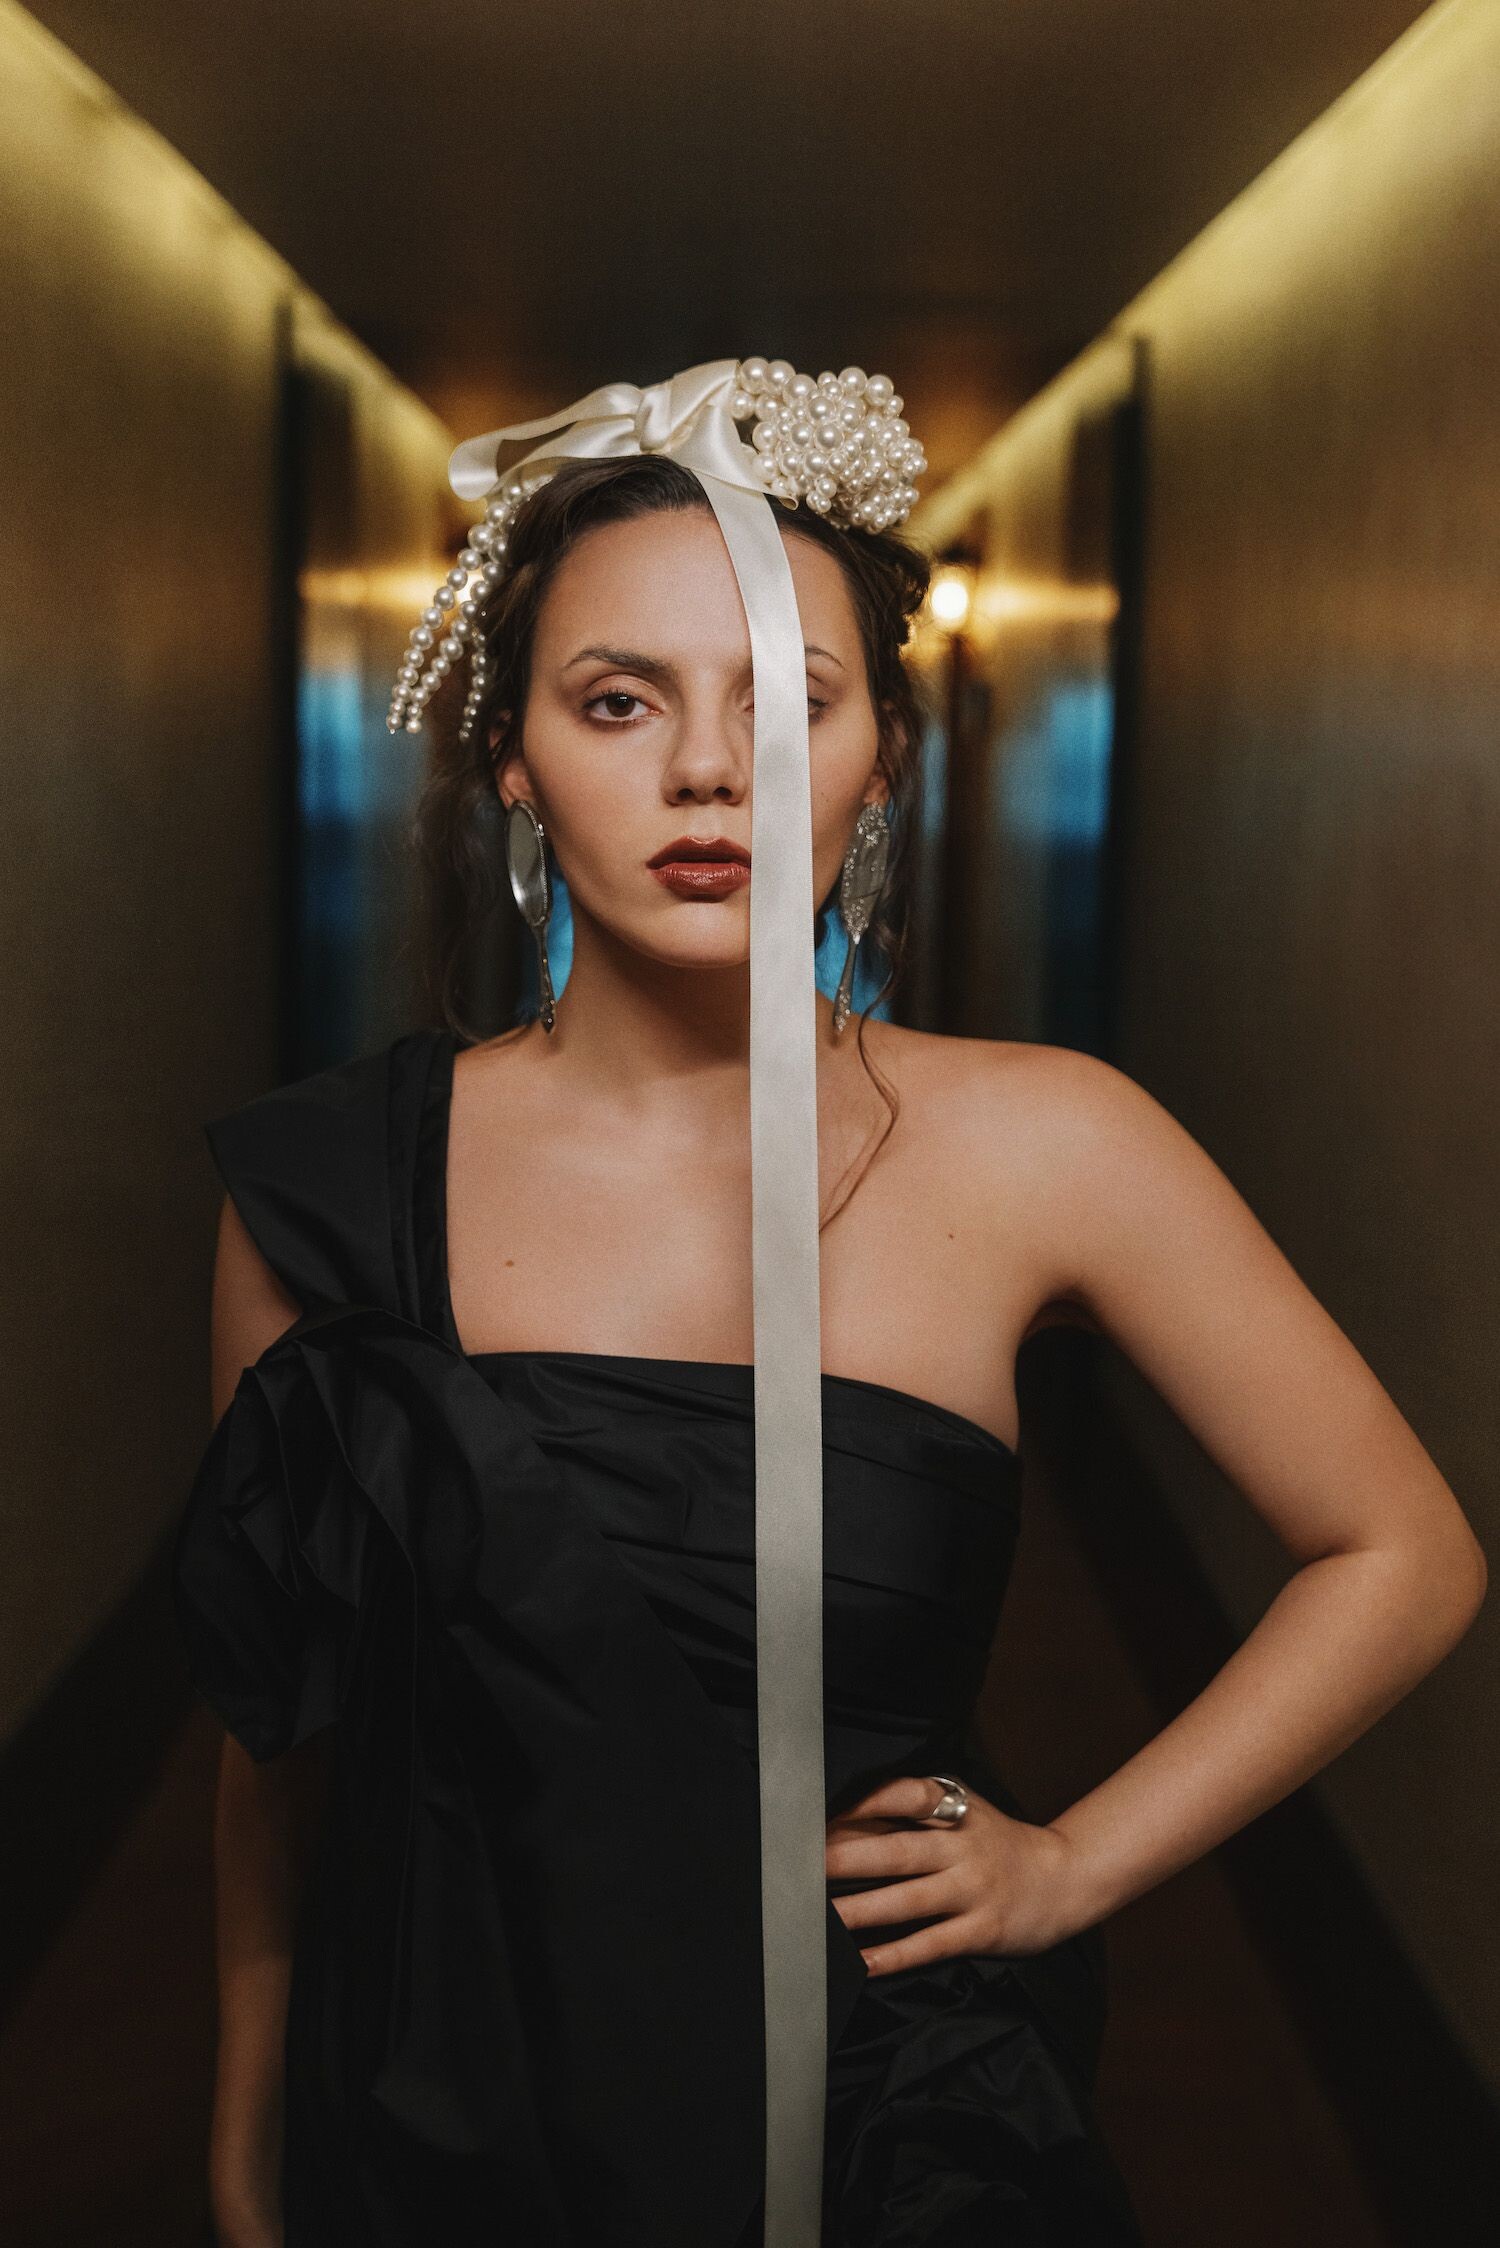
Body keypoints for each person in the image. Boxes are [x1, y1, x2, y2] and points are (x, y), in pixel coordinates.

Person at [173, 366, 1487, 2248]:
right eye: (619, 700)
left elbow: (1401, 1552)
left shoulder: (1053, 1142)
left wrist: (1071, 1866)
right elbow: (279, 1716)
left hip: (877, 2109)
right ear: (512, 759)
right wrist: (247, 2107)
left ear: (880, 758)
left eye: (788, 703)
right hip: (439, 2088)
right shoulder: (323, 1189)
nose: (713, 772)